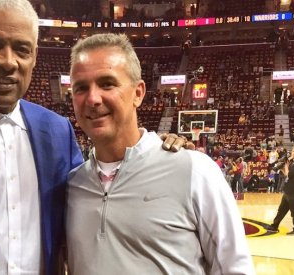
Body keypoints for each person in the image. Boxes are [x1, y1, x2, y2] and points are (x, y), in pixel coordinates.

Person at [0, 0, 189, 273]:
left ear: (34, 56)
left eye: (21, 49)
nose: (8, 61)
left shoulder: (56, 130)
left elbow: (97, 193)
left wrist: (155, 151)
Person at [65, 33, 254, 274]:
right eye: (81, 88)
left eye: (107, 84)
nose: (92, 98)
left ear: (138, 93)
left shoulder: (195, 170)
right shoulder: (73, 185)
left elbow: (235, 268)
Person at [267, 146, 294, 235]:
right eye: (293, 151)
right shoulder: (292, 162)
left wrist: (286, 165)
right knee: (281, 210)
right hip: (288, 189)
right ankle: (274, 226)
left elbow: (290, 174)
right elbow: (286, 174)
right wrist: (281, 167)